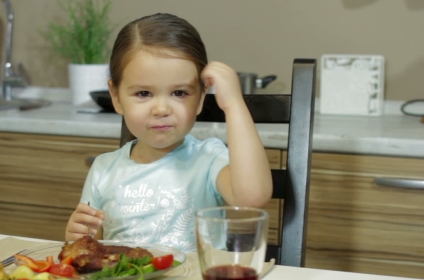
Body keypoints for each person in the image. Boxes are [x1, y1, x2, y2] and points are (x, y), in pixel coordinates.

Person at [65, 13, 272, 253]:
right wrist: (77, 237)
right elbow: (90, 249)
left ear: (201, 97)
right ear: (116, 97)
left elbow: (252, 198)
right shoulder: (103, 169)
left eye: (179, 93)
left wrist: (234, 105)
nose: (161, 109)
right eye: (143, 93)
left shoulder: (209, 159)